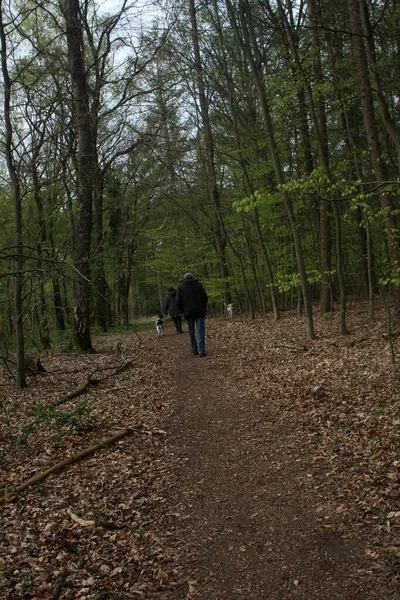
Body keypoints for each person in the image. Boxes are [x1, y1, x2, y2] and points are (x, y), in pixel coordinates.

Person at [176, 272, 208, 357]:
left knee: (191, 331)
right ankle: (202, 350)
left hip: (188, 312)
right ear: (192, 277)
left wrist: (182, 310)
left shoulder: (181, 287)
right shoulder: (198, 285)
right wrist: (203, 306)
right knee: (200, 330)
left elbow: (178, 301)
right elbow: (205, 297)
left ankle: (194, 349)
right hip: (199, 311)